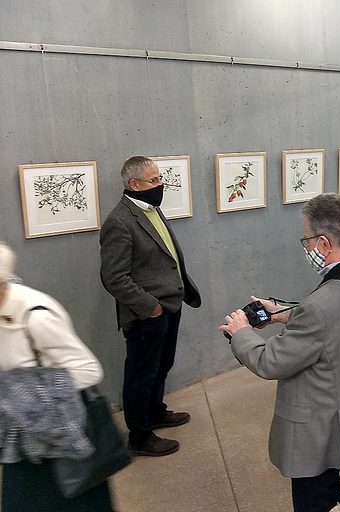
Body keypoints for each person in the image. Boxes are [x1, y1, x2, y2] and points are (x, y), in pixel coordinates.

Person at [220, 193, 340, 512]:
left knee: (314, 502)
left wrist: (241, 333)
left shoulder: (320, 307)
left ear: (323, 243)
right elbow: (336, 320)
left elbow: (269, 361)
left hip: (317, 435)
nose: (305, 247)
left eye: (306, 239)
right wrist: (286, 313)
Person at [0, 242, 115, 511]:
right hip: (22, 437)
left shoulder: (35, 316)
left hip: (61, 433)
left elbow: (88, 370)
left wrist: (21, 392)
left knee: (73, 500)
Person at [100, 156, 201, 457]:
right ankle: (140, 436)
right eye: (154, 180)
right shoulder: (119, 222)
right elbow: (113, 277)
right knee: (141, 374)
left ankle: (155, 411)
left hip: (170, 305)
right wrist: (151, 307)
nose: (161, 185)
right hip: (147, 313)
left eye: (159, 178)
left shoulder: (151, 210)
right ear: (134, 185)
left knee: (161, 365)